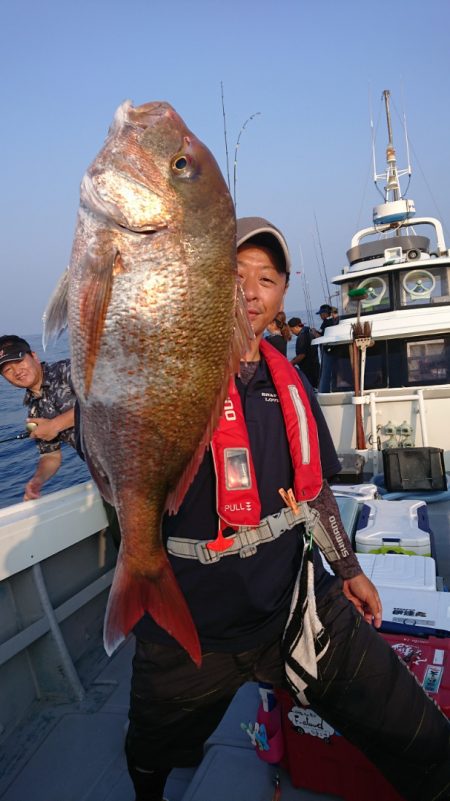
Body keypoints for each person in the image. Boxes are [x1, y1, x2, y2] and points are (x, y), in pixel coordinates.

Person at [124, 218, 450, 801]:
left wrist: (348, 570)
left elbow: (314, 489)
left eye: (266, 279)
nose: (249, 291)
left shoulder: (292, 379)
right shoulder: (166, 376)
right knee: (150, 752)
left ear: (281, 294)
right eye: (233, 275)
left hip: (296, 601)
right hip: (188, 624)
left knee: (421, 735)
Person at [0, 335, 76, 500]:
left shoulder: (69, 370)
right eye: (7, 370)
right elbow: (50, 455)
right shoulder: (33, 411)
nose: (16, 371)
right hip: (106, 474)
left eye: (19, 361)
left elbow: (108, 403)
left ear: (34, 356)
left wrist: (56, 425)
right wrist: (37, 481)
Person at [288, 316, 320, 388]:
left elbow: (302, 354)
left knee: (310, 387)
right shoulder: (309, 330)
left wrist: (291, 363)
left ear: (296, 327)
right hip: (315, 364)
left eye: (292, 330)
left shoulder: (301, 336)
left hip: (308, 368)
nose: (292, 333)